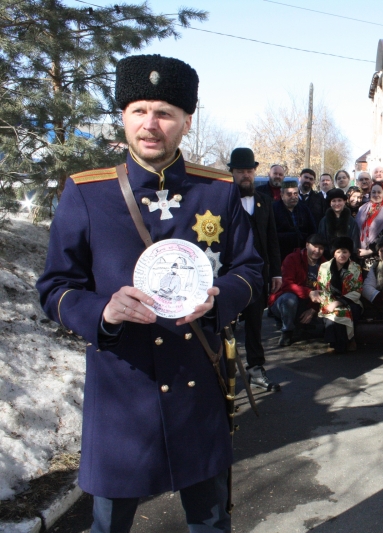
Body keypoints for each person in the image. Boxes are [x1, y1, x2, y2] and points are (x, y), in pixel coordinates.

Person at [36, 54, 263, 532]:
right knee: (109, 527)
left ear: (186, 121)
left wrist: (218, 298)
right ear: (123, 117)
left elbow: (249, 270)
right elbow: (55, 287)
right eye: (139, 110)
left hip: (197, 387)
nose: (150, 124)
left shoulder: (217, 192)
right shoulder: (86, 193)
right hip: (122, 392)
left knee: (210, 521)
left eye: (164, 112)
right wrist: (102, 310)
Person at [227, 147, 283, 390]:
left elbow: (272, 238)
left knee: (254, 324)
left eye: (249, 170)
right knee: (224, 325)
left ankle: (256, 368)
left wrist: (276, 272)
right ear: (232, 173)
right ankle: (223, 373)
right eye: (240, 171)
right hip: (228, 274)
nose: (245, 175)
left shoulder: (264, 201)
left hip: (258, 274)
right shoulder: (222, 199)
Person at [268, 235, 326, 346]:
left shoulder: (325, 264)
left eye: (321, 248)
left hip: (308, 304)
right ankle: (287, 331)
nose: (317, 251)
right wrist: (308, 292)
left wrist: (313, 310)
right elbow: (286, 285)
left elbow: (325, 290)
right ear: (307, 245)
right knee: (289, 300)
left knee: (321, 329)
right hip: (286, 299)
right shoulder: (292, 258)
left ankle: (297, 325)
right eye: (315, 246)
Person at [312, 237, 363, 354]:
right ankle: (333, 343)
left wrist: (339, 302)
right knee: (332, 314)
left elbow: (357, 290)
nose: (342, 255)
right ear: (334, 253)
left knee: (351, 310)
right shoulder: (324, 267)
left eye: (345, 252)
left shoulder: (355, 268)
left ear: (350, 253)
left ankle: (349, 340)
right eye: (338, 252)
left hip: (350, 300)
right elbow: (320, 287)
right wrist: (330, 303)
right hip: (329, 299)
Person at [273, 180, 317, 261]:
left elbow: (312, 230)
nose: (293, 197)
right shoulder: (273, 210)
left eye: (296, 194)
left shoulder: (304, 209)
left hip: (302, 253)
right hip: (281, 254)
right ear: (282, 195)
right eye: (289, 194)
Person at [317, 188, 359, 256]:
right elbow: (321, 241)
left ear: (344, 201)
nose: (337, 203)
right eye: (334, 201)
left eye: (339, 200)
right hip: (328, 257)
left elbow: (355, 242)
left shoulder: (351, 221)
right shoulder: (324, 221)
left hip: (346, 257)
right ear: (330, 203)